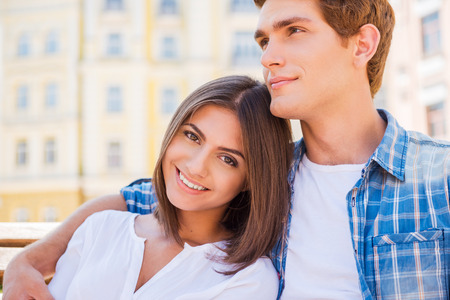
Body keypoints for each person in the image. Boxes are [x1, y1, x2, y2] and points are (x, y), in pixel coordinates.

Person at [4, 0, 450, 299]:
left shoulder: (439, 177)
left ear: (362, 44)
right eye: (264, 40)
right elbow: (146, 196)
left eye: (294, 31)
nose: (269, 56)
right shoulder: (264, 183)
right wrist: (32, 258)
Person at [4, 76, 293, 299]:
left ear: (250, 180)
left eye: (227, 159)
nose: (195, 166)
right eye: (192, 137)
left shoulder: (248, 280)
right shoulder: (100, 229)